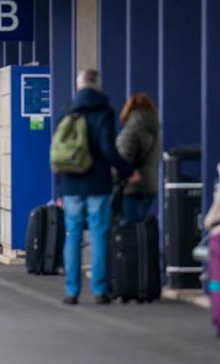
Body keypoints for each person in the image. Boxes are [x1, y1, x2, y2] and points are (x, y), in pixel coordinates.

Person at [57, 69, 137, 306]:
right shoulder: (104, 111)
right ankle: (99, 290)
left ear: (79, 85)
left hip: (70, 184)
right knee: (99, 235)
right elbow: (108, 149)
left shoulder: (67, 111)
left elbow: (57, 154)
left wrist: (58, 189)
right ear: (98, 86)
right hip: (97, 184)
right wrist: (128, 171)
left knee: (72, 236)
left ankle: (72, 292)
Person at [115, 92, 161, 225]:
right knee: (141, 231)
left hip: (132, 188)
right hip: (151, 186)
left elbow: (123, 159)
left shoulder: (131, 131)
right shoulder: (156, 131)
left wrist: (112, 178)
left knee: (128, 231)